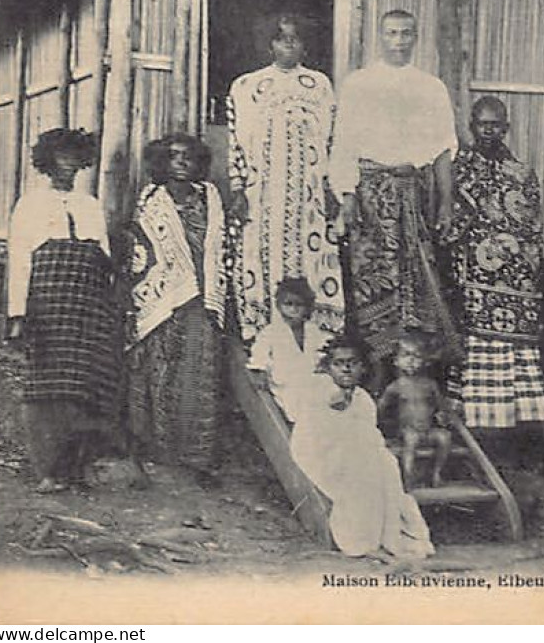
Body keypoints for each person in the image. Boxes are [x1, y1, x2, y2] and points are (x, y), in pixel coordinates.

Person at [329, 9, 457, 367]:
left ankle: (414, 367)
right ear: (379, 37)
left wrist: (446, 203)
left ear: (416, 38)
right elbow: (344, 145)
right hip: (371, 194)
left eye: (405, 34)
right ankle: (377, 367)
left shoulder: (431, 87)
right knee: (370, 278)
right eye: (391, 34)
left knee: (417, 279)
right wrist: (347, 196)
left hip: (413, 193)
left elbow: (444, 149)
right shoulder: (358, 84)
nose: (398, 42)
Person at [7, 128, 121, 493]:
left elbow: (102, 257)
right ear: (47, 162)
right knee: (46, 385)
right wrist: (17, 314)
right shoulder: (30, 204)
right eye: (61, 158)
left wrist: (108, 302)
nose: (68, 165)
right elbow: (21, 260)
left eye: (74, 158)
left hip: (86, 302)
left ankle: (75, 468)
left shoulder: (89, 204)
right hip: (47, 300)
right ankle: (47, 471)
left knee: (84, 386)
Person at [127, 133, 241, 476]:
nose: (181, 162)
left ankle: (196, 455)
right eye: (174, 156)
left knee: (199, 374)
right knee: (162, 372)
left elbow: (219, 243)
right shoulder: (152, 198)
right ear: (161, 161)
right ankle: (161, 451)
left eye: (188, 156)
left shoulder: (209, 197)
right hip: (166, 298)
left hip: (202, 298)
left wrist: (210, 290)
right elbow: (143, 250)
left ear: (198, 162)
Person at [226, 14, 342, 337]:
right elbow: (235, 140)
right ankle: (262, 335)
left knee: (310, 256)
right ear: (269, 44)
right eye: (281, 38)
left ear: (305, 45)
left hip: (309, 195)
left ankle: (315, 338)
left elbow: (331, 141)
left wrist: (331, 189)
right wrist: (238, 188)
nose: (288, 44)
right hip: (262, 193)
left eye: (296, 38)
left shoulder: (320, 85)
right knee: (261, 256)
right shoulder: (247, 86)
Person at [447, 97, 544, 442]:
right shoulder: (458, 168)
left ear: (506, 127)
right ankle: (473, 433)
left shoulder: (522, 173)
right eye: (482, 124)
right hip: (472, 281)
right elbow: (449, 220)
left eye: (496, 124)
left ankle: (512, 437)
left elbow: (531, 228)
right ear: (472, 126)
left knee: (512, 355)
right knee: (471, 350)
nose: (489, 130)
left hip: (513, 284)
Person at [290, 333, 434, 560]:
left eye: (353, 364)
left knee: (385, 465)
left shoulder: (363, 398)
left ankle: (385, 534)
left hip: (354, 447)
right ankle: (362, 540)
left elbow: (368, 432)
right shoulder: (323, 388)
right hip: (318, 448)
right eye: (338, 364)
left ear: (364, 368)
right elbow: (321, 421)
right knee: (360, 469)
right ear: (328, 368)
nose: (346, 369)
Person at [377, 329, 452, 489]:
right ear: (396, 361)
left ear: (425, 361)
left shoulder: (430, 385)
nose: (411, 361)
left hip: (428, 429)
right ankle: (408, 476)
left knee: (445, 437)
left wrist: (442, 415)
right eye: (406, 356)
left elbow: (441, 406)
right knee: (411, 441)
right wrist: (380, 425)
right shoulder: (396, 386)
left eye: (417, 357)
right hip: (407, 430)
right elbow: (381, 407)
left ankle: (436, 473)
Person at [247, 277, 329, 421]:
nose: (293, 309)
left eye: (299, 304)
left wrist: (324, 364)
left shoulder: (314, 331)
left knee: (327, 392)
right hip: (286, 384)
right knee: (299, 400)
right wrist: (261, 373)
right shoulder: (271, 332)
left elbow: (325, 353)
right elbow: (259, 357)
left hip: (312, 379)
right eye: (288, 304)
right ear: (279, 306)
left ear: (308, 307)